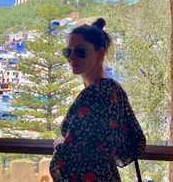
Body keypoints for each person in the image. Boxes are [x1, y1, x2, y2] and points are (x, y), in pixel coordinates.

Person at [50, 18, 146, 182]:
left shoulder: (94, 94)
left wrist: (60, 146)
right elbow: (136, 142)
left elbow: (69, 161)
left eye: (80, 51)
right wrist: (105, 155)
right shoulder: (114, 89)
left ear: (100, 53)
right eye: (68, 52)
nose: (72, 58)